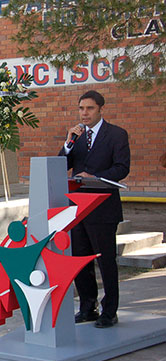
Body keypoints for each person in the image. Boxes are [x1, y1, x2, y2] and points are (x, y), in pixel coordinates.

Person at [59, 90, 130, 328]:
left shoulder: (117, 135)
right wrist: (68, 144)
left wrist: (95, 177)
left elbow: (122, 168)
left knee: (106, 261)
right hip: (77, 208)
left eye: (89, 108)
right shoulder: (76, 136)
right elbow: (61, 165)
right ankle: (88, 307)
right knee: (80, 260)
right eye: (81, 108)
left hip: (103, 208)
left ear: (100, 109)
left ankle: (110, 311)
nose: (84, 113)